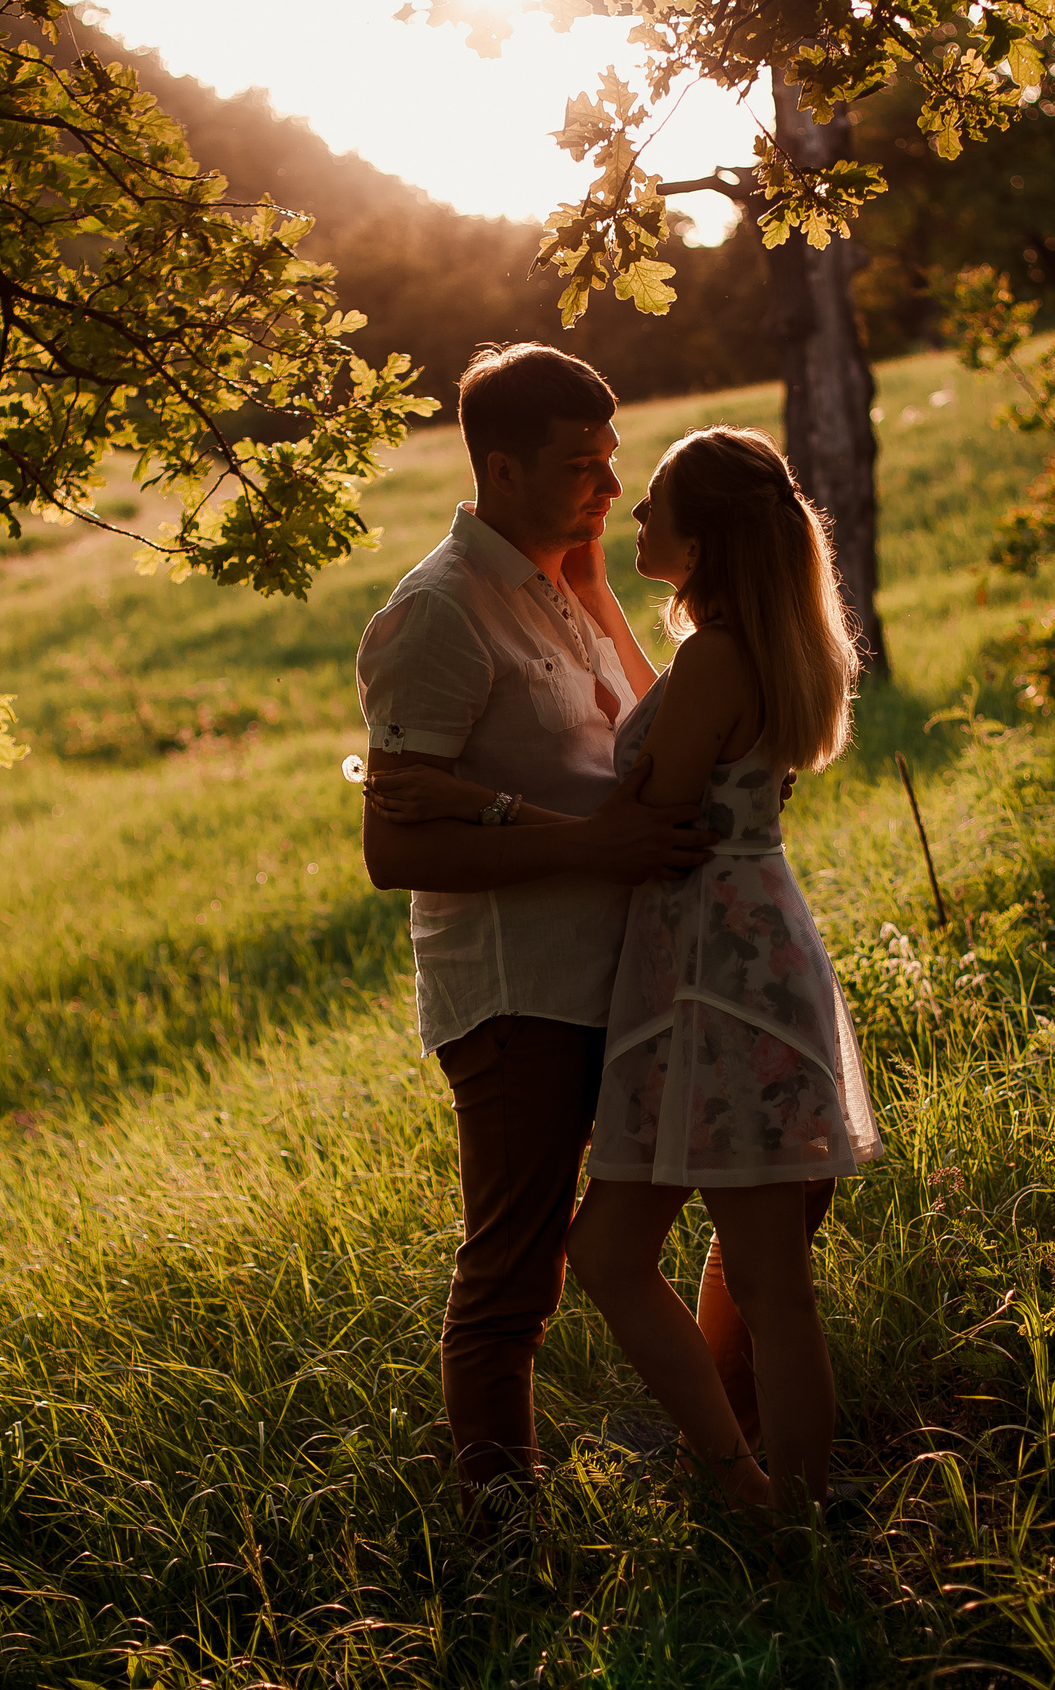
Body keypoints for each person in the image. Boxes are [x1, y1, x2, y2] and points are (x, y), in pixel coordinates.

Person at [370, 426, 881, 1521]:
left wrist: (477, 803)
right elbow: (667, 747)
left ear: (700, 539)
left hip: (715, 968)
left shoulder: (718, 657)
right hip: (709, 956)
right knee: (610, 1249)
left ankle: (790, 1513)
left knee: (769, 1286)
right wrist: (604, 599)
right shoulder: (751, 645)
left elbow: (641, 804)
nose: (628, 514)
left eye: (651, 504)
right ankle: (741, 1479)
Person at [354, 343, 715, 1502]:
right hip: (517, 995)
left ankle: (729, 1450)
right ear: (499, 470)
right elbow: (394, 848)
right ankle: (504, 1544)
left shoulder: (564, 576)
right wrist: (586, 846)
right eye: (581, 468)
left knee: (742, 1188)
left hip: (620, 968)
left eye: (612, 463)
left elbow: (640, 737)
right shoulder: (437, 615)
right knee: (513, 1274)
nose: (611, 489)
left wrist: (599, 574)